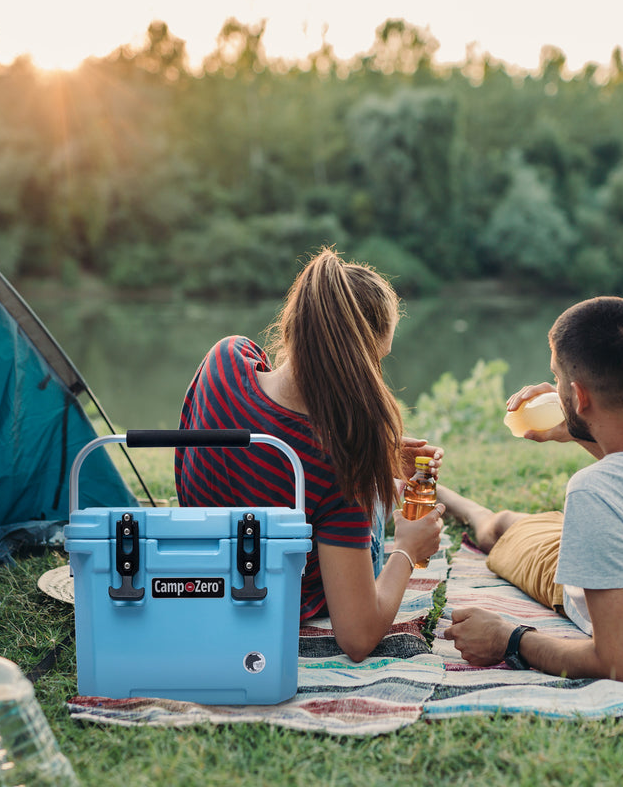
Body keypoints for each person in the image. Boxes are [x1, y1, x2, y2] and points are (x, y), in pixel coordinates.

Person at [175, 247, 446, 662]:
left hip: (207, 571)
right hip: (276, 596)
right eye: (377, 359)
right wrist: (407, 550)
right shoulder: (341, 459)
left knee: (361, 489)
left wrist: (382, 459)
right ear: (359, 360)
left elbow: (272, 435)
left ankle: (387, 487)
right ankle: (391, 499)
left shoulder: (225, 360)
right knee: (374, 506)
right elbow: (356, 638)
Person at [440, 296, 623, 683]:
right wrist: (579, 425)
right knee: (515, 523)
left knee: (499, 528)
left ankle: (450, 498)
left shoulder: (596, 494)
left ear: (578, 396)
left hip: (584, 581)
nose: (553, 388)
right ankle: (446, 495)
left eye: (557, 378)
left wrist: (509, 640)